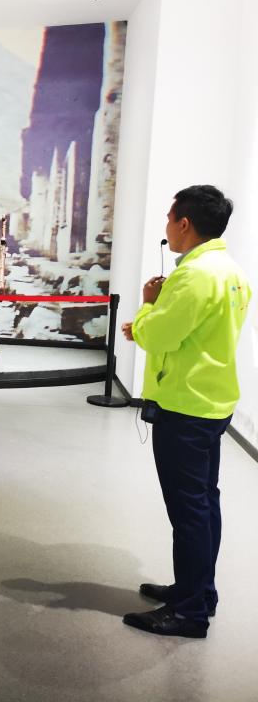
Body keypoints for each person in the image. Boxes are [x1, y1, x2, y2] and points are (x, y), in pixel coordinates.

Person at [120, 185, 250, 639]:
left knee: (189, 509)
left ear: (184, 223)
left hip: (184, 406)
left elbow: (159, 335)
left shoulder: (194, 276)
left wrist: (147, 306)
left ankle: (191, 611)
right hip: (211, 401)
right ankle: (198, 591)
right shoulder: (231, 271)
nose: (167, 226)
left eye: (169, 218)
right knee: (204, 502)